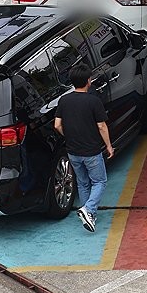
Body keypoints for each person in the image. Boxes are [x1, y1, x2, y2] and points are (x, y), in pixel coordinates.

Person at [54, 66, 113, 233]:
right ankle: (88, 209)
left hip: (73, 151)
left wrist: (69, 136)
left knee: (82, 182)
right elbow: (101, 126)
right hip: (92, 151)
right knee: (100, 182)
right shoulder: (93, 101)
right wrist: (108, 145)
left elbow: (57, 125)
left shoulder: (64, 101)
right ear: (88, 81)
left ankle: (89, 214)